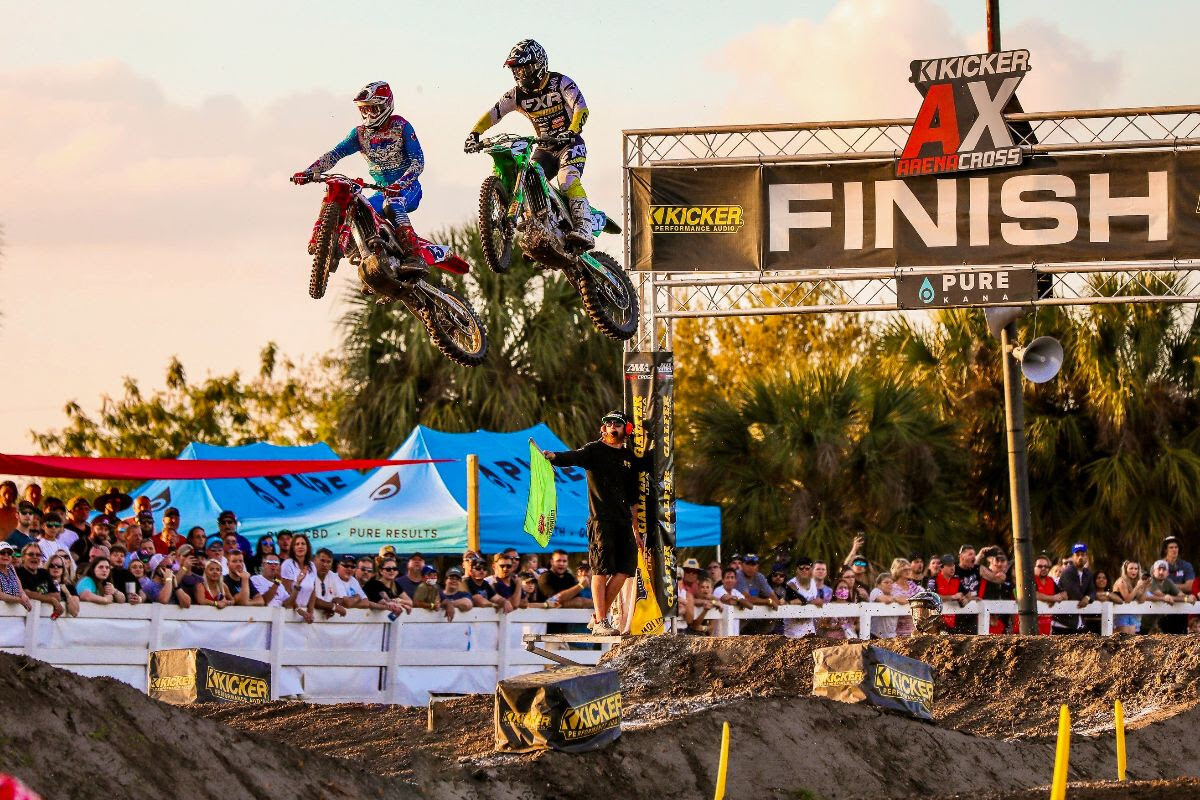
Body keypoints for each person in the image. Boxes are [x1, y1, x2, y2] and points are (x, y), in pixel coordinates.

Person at [464, 39, 595, 251]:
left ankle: (584, 229)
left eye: (526, 68)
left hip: (569, 144)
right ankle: (540, 231)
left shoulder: (560, 82)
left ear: (540, 64)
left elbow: (581, 108)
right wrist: (474, 133)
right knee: (526, 177)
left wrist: (571, 131)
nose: (522, 74)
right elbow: (494, 113)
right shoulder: (516, 94)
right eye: (517, 70)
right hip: (543, 147)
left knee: (567, 178)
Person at [292, 81, 427, 280]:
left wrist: (401, 183)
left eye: (374, 109)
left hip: (408, 189)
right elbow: (335, 154)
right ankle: (368, 262)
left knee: (393, 202)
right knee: (359, 210)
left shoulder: (401, 126)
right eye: (365, 110)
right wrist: (309, 171)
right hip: (380, 191)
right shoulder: (359, 134)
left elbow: (418, 161)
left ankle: (414, 256)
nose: (369, 115)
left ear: (385, 106)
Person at [542, 410, 651, 635]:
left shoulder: (629, 458)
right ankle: (602, 620)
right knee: (600, 570)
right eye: (608, 423)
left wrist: (636, 530)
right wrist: (553, 456)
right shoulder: (594, 450)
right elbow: (572, 456)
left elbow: (633, 500)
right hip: (601, 520)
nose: (612, 426)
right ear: (603, 429)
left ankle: (597, 616)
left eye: (617, 424)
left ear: (626, 429)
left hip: (623, 521)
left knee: (626, 570)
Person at [1051, 543, 1097, 635]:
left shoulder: (1088, 573)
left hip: (1078, 623)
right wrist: (1086, 597)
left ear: (1086, 557)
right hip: (1061, 623)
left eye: (1083, 554)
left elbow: (1092, 591)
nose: (1080, 557)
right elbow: (1073, 593)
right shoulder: (1067, 572)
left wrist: (1087, 598)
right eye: (1077, 554)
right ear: (1073, 557)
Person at [1144, 559, 1195, 633]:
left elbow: (1181, 594)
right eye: (1159, 569)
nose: (1161, 572)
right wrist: (1186, 599)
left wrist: (1188, 597)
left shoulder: (1168, 582)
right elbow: (1164, 596)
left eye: (1164, 569)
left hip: (1161, 623)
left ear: (1167, 573)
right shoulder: (1150, 581)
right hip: (1146, 623)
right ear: (1153, 571)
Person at [1158, 536, 1194, 634]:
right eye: (1171, 547)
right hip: (1163, 606)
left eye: (1176, 547)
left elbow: (1189, 586)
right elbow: (1158, 587)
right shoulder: (1159, 565)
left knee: (1181, 637)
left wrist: (1169, 586)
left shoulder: (1186, 565)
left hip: (1182, 607)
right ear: (1165, 549)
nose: (1174, 549)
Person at [16, 543, 63, 618]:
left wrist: (50, 598)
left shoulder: (44, 573)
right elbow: (25, 593)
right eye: (31, 554)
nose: (35, 557)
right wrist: (51, 599)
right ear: (23, 557)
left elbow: (57, 596)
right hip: (22, 618)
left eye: (38, 555)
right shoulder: (17, 573)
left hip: (45, 618)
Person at [977, 547, 1015, 634]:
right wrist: (979, 556)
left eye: (1003, 560)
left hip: (1004, 625)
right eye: (997, 560)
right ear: (990, 560)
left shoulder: (1010, 580)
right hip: (983, 623)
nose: (999, 564)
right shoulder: (982, 575)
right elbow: (969, 570)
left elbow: (1015, 601)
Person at [783, 557, 823, 638]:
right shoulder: (791, 585)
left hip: (810, 631)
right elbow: (795, 612)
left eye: (807, 568)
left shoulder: (813, 583)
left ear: (811, 569)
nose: (804, 570)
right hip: (792, 633)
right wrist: (811, 603)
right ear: (796, 569)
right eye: (801, 568)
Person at [303, 549, 346, 620]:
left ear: (332, 563)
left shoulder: (334, 576)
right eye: (322, 560)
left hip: (326, 621)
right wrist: (332, 607)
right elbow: (312, 600)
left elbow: (340, 598)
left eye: (328, 562)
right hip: (305, 620)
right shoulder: (307, 574)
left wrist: (335, 605)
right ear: (314, 560)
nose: (325, 564)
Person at [1033, 554, 1068, 635]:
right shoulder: (1031, 579)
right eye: (1040, 566)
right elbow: (1034, 595)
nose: (1043, 568)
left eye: (1046, 566)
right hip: (1031, 625)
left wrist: (1054, 598)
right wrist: (1052, 598)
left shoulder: (1050, 580)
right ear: (1034, 567)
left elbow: (1064, 594)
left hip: (1048, 626)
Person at [890, 558, 921, 637]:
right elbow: (901, 600)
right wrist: (916, 600)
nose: (908, 571)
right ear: (897, 570)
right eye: (904, 569)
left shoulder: (912, 585)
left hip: (915, 630)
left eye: (909, 569)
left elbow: (923, 597)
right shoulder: (893, 587)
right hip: (899, 631)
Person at [869, 573, 905, 639]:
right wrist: (895, 599)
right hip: (876, 636)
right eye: (886, 582)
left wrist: (894, 598)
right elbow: (886, 600)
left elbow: (905, 600)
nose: (889, 584)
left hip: (892, 637)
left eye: (891, 583)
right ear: (878, 585)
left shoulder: (894, 593)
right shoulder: (875, 591)